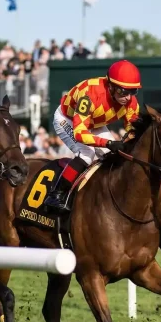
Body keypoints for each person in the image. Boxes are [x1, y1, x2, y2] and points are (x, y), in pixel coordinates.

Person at [44, 59, 141, 211]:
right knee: (87, 153)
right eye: (123, 91)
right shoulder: (89, 94)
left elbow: (132, 131)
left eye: (133, 91)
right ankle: (56, 194)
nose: (128, 97)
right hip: (68, 119)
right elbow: (80, 133)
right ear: (111, 85)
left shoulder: (132, 103)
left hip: (95, 123)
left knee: (114, 156)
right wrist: (108, 143)